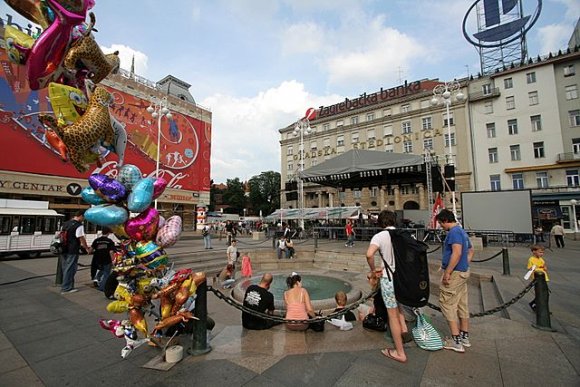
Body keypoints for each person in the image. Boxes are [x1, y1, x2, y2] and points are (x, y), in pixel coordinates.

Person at [365, 210, 408, 363]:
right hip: (403, 278)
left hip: (388, 278)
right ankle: (404, 328)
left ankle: (400, 352)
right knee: (399, 305)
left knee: (392, 315)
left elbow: (369, 254)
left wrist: (373, 269)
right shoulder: (403, 234)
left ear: (380, 222)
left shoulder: (380, 236)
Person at [435, 209, 474, 353]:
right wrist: (465, 264)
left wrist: (448, 271)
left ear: (445, 221)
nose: (441, 226)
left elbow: (456, 252)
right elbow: (470, 250)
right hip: (463, 271)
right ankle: (464, 336)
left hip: (455, 274)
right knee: (462, 304)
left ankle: (456, 340)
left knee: (447, 303)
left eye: (440, 223)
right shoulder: (462, 231)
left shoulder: (453, 233)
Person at [60, 210, 92, 294]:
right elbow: (81, 237)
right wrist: (86, 248)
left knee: (65, 268)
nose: (84, 219)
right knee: (70, 268)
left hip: (64, 248)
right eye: (84, 217)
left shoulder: (66, 223)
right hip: (73, 249)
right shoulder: (79, 225)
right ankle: (66, 288)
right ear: (80, 216)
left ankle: (67, 285)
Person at [90, 227, 116, 292]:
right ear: (108, 233)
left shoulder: (96, 240)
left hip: (97, 260)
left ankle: (96, 279)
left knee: (101, 270)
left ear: (102, 232)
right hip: (106, 260)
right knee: (106, 273)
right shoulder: (110, 241)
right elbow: (111, 252)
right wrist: (113, 260)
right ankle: (102, 287)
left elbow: (90, 250)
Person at [527, 245, 549, 311]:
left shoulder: (541, 259)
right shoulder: (531, 259)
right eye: (540, 252)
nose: (541, 254)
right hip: (537, 278)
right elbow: (530, 268)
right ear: (534, 252)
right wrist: (534, 268)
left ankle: (534, 303)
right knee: (540, 292)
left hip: (543, 276)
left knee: (545, 293)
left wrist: (545, 268)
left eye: (542, 252)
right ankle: (536, 305)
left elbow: (544, 265)